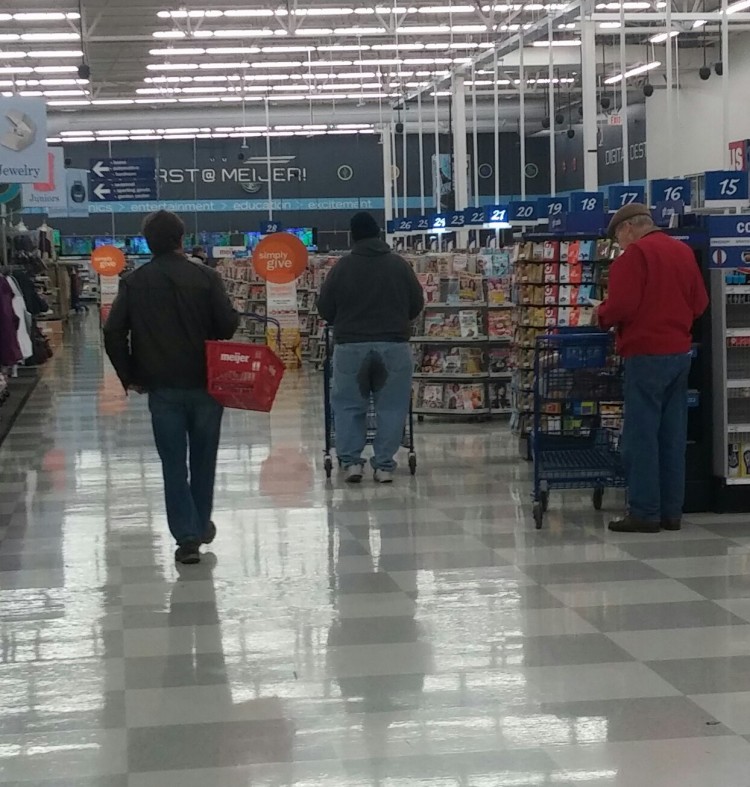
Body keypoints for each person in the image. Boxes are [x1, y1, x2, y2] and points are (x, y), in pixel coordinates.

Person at [103, 210, 239, 564]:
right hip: (206, 382)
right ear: (181, 239)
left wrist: (129, 373)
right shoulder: (207, 277)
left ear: (147, 242)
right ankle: (200, 520)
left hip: (161, 385)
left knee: (173, 461)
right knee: (205, 457)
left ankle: (188, 535)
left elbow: (113, 331)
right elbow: (226, 326)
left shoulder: (134, 282)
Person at [594, 203, 708, 534]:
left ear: (629, 228)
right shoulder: (683, 252)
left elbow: (622, 306)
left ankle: (645, 512)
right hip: (679, 354)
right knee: (672, 436)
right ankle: (672, 512)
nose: (619, 244)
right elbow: (700, 304)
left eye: (618, 237)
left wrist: (600, 315)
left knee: (641, 437)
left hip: (645, 355)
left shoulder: (633, 257)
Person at [317, 211, 424, 483]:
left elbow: (325, 308)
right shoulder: (399, 265)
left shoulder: (342, 267)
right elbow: (416, 304)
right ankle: (384, 466)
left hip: (351, 346)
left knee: (349, 406)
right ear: (378, 234)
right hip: (393, 346)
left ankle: (352, 463)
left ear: (353, 236)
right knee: (392, 407)